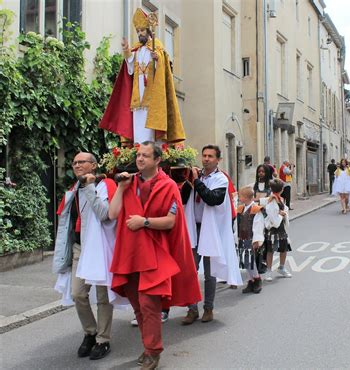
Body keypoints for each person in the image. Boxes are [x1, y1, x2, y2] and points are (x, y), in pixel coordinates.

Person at [108, 141, 201, 370]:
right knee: (138, 307)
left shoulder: (169, 186)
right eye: (139, 155)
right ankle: (148, 347)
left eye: (146, 156)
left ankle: (154, 351)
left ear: (157, 160)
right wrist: (120, 187)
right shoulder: (128, 184)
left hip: (156, 255)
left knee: (149, 305)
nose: (140, 159)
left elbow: (171, 222)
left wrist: (144, 222)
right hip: (131, 254)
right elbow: (112, 213)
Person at [52, 152, 118, 360]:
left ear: (93, 165)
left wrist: (89, 187)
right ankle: (90, 332)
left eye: (82, 162)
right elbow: (66, 221)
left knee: (102, 296)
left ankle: (103, 339)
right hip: (80, 248)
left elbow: (105, 214)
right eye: (74, 163)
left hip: (100, 247)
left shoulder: (105, 184)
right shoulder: (73, 190)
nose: (77, 165)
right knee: (78, 293)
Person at [100, 8, 184, 144]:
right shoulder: (137, 49)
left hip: (153, 96)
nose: (140, 34)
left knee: (151, 126)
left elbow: (164, 70)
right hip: (137, 96)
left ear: (149, 31)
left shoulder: (157, 47)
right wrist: (127, 51)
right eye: (138, 31)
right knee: (138, 124)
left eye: (142, 31)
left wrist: (158, 59)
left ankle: (152, 150)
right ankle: (138, 148)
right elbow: (130, 68)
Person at [181, 145, 243, 325]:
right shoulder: (196, 176)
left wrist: (197, 182)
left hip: (211, 230)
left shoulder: (221, 179)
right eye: (204, 156)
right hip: (195, 228)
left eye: (210, 156)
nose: (206, 159)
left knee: (210, 272)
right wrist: (188, 181)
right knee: (191, 271)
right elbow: (183, 198)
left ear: (218, 160)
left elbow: (212, 198)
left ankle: (208, 308)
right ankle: (192, 309)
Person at [261, 179, 292, 281]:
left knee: (284, 248)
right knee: (270, 250)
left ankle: (281, 267)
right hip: (273, 229)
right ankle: (269, 271)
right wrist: (280, 214)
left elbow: (283, 210)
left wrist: (283, 212)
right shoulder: (272, 201)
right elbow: (273, 218)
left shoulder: (280, 199)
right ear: (282, 189)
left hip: (281, 229)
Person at [236, 186, 265, 294]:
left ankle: (257, 279)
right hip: (242, 238)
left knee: (250, 261)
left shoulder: (256, 209)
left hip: (251, 238)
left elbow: (258, 225)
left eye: (241, 196)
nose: (239, 198)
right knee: (245, 260)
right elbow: (237, 224)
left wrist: (257, 240)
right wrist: (236, 236)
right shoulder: (241, 208)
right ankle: (251, 280)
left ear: (246, 197)